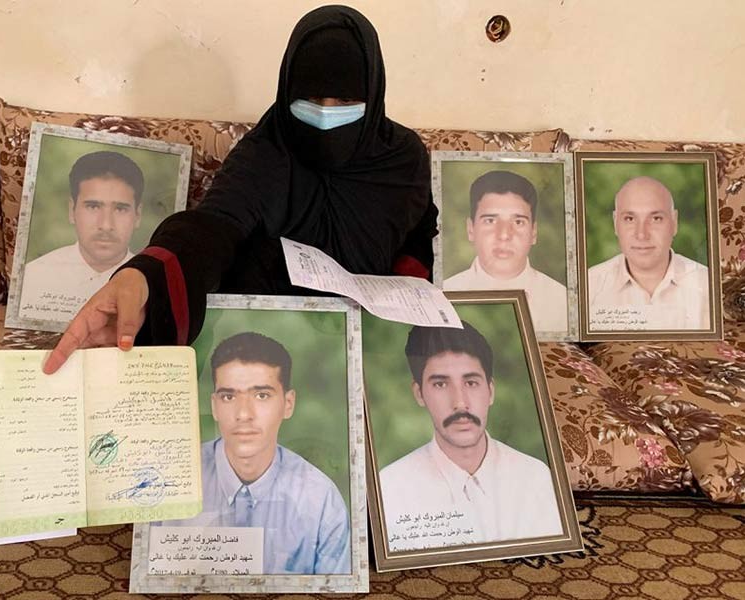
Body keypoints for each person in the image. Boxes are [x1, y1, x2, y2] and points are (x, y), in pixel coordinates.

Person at [43, 5, 437, 374]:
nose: (327, 113)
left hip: (368, 342)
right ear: (286, 92)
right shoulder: (266, 153)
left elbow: (419, 230)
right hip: (267, 339)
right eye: (311, 99)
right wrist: (144, 275)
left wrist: (405, 295)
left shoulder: (403, 158)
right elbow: (215, 225)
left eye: (347, 100)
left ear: (373, 92)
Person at [153, 332, 351, 575]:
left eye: (261, 395)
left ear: (288, 404)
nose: (244, 414)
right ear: (214, 406)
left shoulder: (321, 499)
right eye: (228, 396)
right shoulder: (169, 482)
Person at [378, 322, 562, 552]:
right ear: (419, 394)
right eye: (441, 384)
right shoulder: (390, 487)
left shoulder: (535, 478)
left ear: (490, 391)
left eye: (471, 382)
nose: (460, 402)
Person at [19, 151, 143, 319]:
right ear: (72, 211)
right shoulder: (33, 277)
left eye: (120, 209)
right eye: (93, 206)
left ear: (137, 215)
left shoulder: (155, 285)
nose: (106, 225)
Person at [442, 170, 568, 333]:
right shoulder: (444, 294)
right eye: (490, 220)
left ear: (534, 233)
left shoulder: (563, 303)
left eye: (518, 222)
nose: (504, 235)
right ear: (471, 229)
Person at [587, 175, 709, 330]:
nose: (642, 235)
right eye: (630, 219)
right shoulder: (588, 288)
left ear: (674, 222)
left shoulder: (709, 286)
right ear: (615, 223)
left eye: (656, 218)